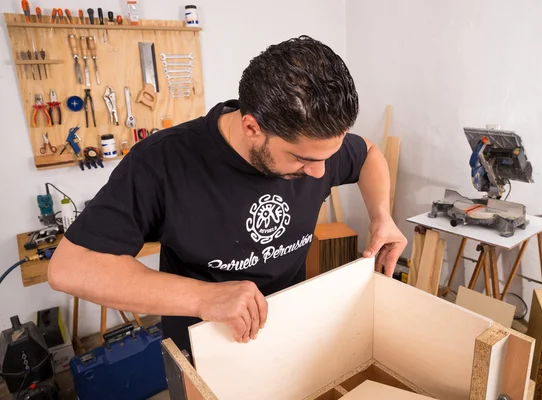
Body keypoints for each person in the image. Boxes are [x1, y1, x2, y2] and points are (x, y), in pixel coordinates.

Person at [48, 35, 407, 356]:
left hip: (286, 326)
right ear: (251, 127)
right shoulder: (163, 162)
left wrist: (381, 217)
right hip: (206, 345)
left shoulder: (317, 149)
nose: (319, 173)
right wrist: (204, 297)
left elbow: (369, 154)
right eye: (302, 159)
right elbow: (70, 267)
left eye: (327, 158)